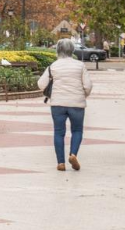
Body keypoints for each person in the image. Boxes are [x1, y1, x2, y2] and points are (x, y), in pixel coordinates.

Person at [39, 38, 92, 172]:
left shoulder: (53, 66)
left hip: (58, 104)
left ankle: (61, 163)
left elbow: (41, 84)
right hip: (77, 103)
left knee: (59, 132)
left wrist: (51, 94)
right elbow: (88, 85)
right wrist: (83, 95)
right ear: (72, 50)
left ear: (58, 50)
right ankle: (73, 154)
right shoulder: (80, 65)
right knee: (77, 130)